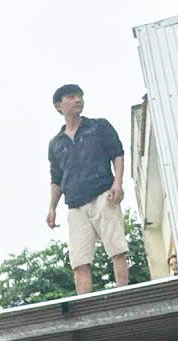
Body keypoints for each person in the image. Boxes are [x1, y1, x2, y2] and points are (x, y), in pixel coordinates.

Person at [46, 83, 129, 294]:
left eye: (80, 96)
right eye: (72, 97)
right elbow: (56, 178)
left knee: (117, 248)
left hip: (103, 194)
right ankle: (85, 303)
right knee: (79, 259)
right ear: (59, 105)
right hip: (75, 204)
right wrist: (52, 208)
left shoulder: (98, 126)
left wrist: (117, 182)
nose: (78, 100)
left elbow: (117, 153)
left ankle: (123, 294)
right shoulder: (56, 144)